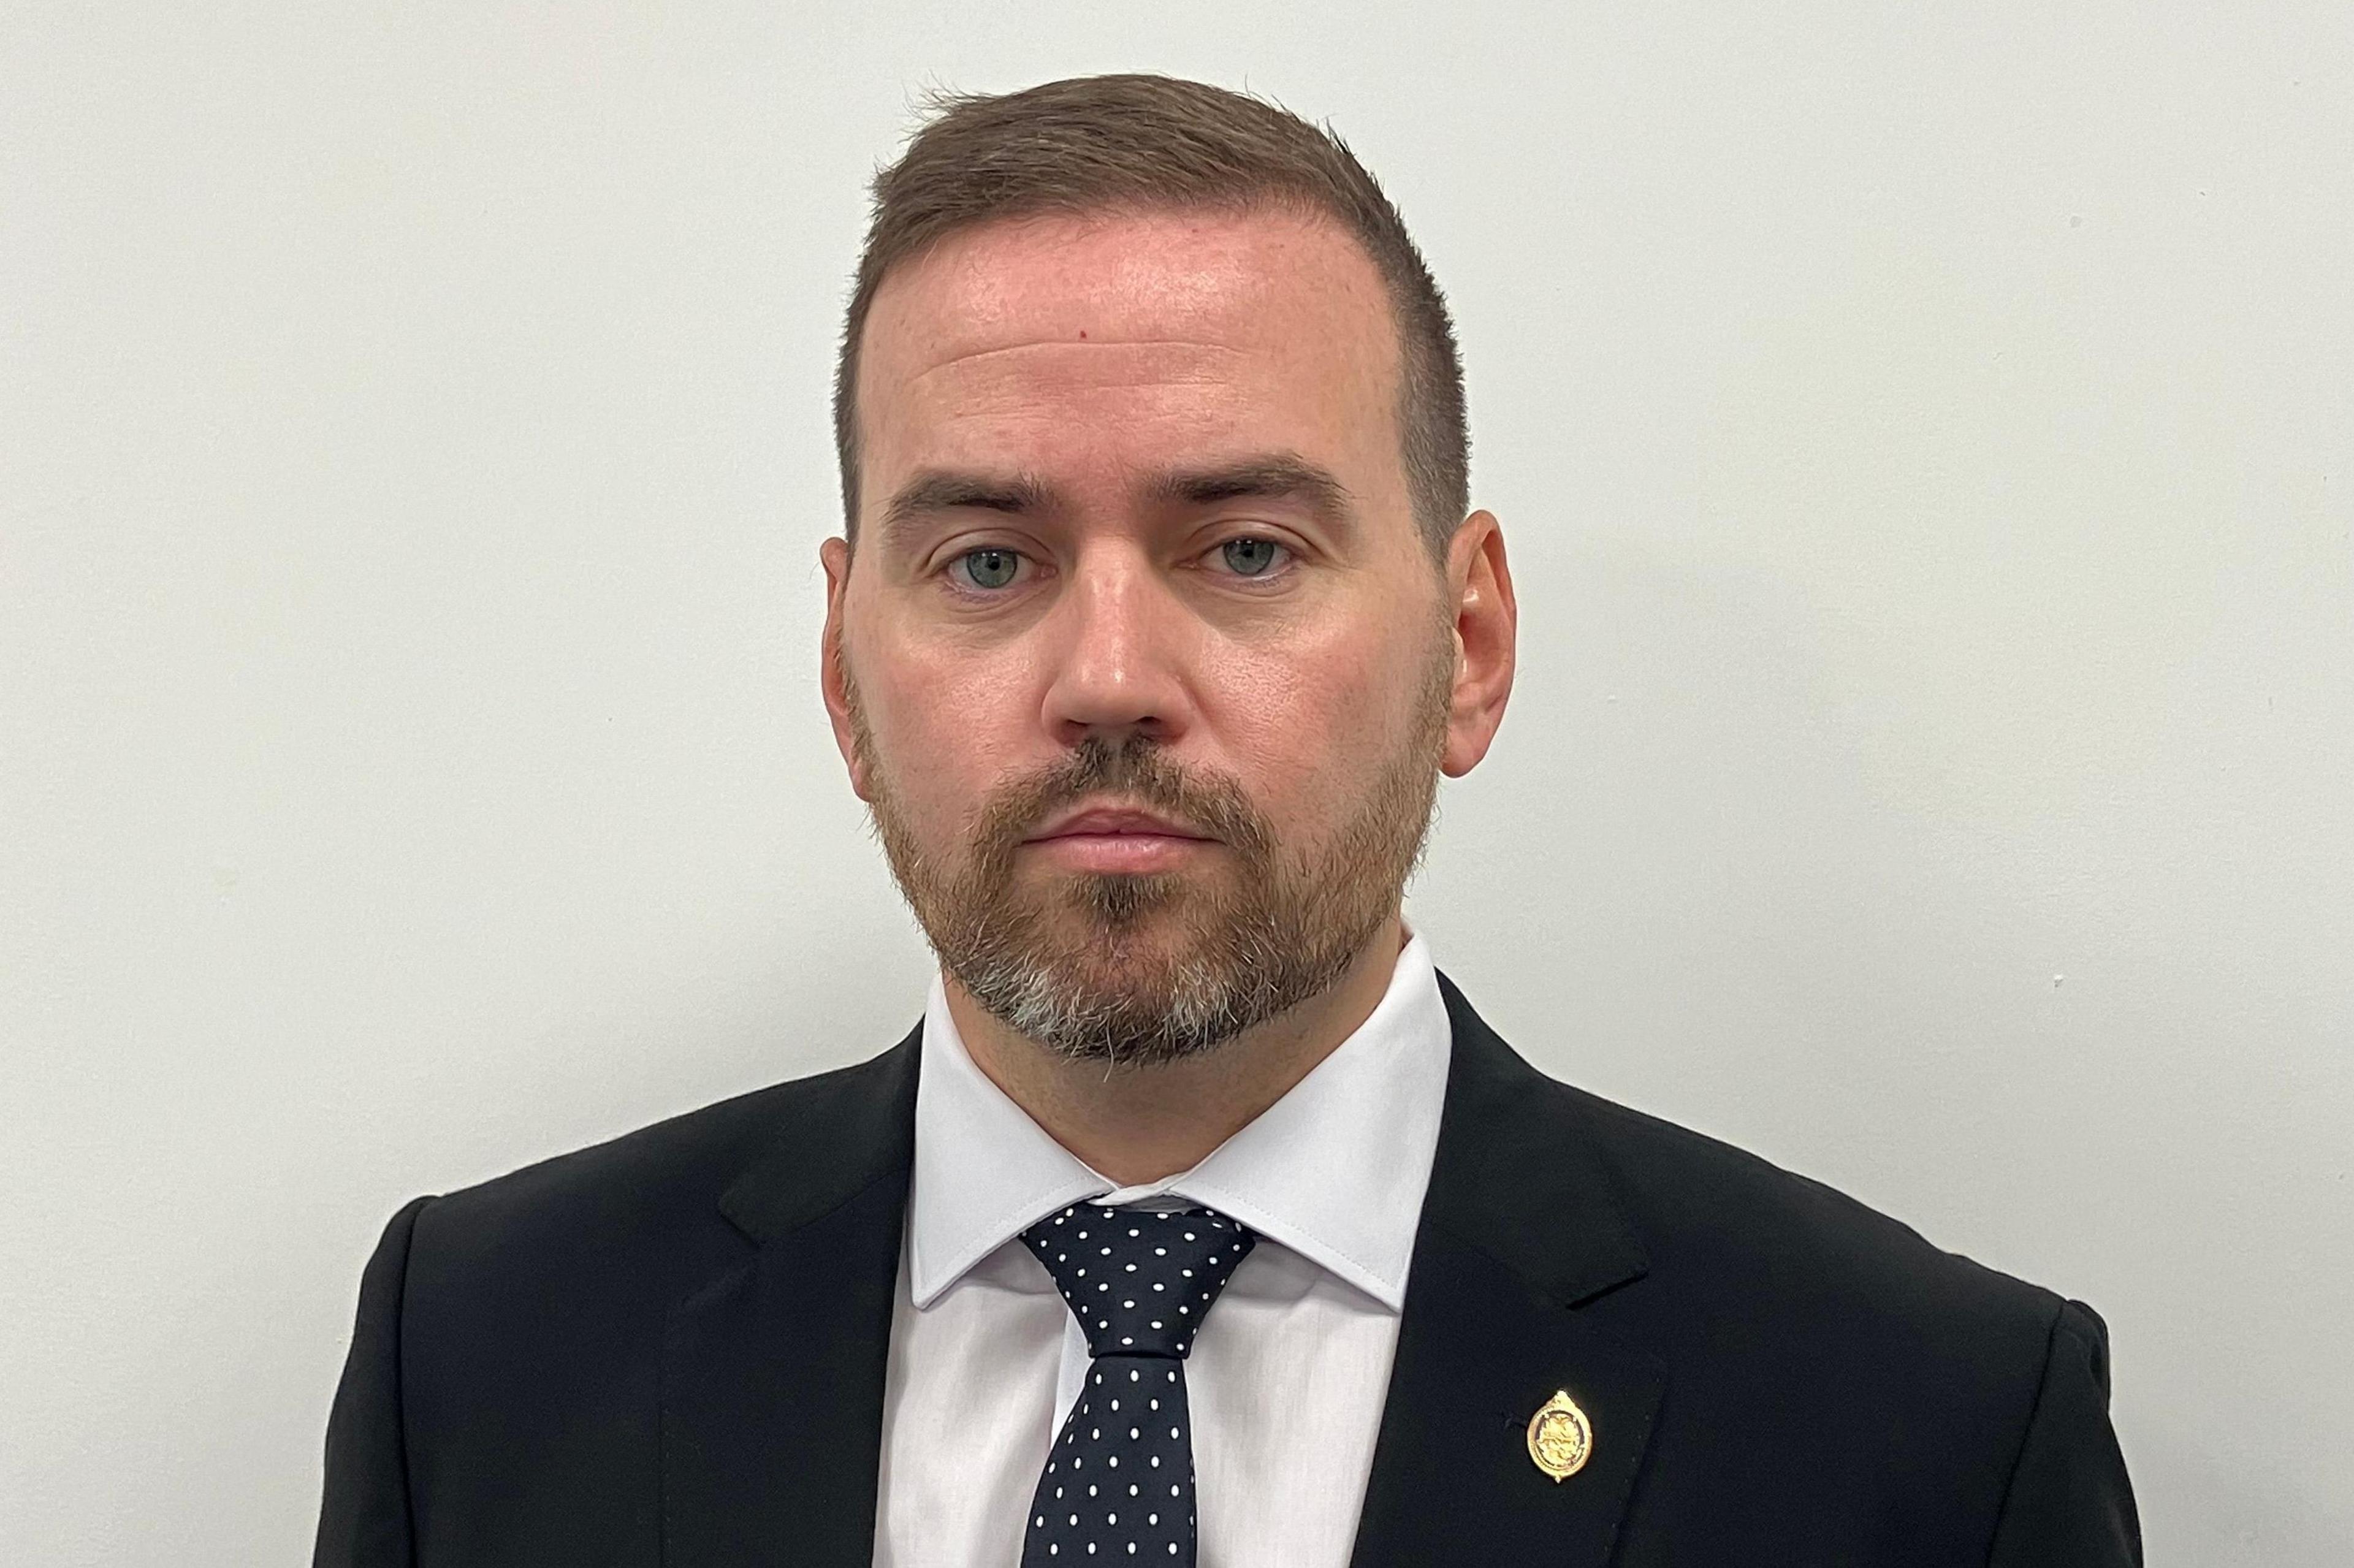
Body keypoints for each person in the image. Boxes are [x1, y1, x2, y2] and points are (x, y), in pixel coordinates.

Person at [313, 73, 2140, 1567]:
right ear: (843, 673)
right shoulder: (485, 1356)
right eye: (987, 559)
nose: (1108, 674)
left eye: (1247, 548)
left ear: (1471, 647)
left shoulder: (1924, 1437)